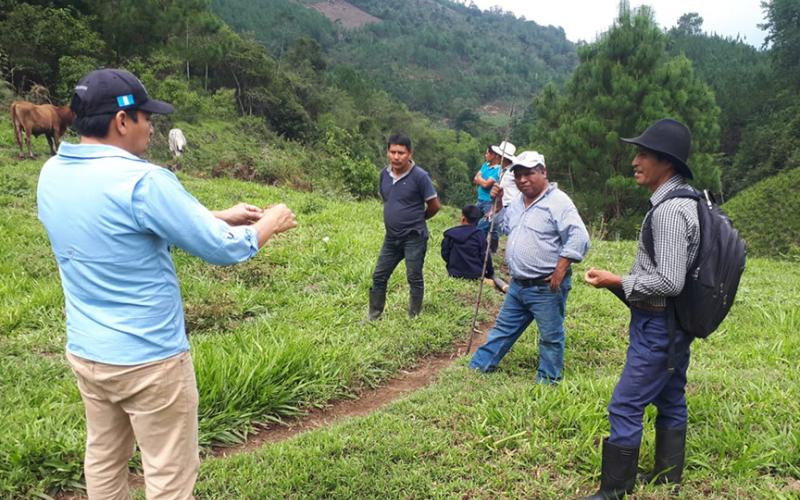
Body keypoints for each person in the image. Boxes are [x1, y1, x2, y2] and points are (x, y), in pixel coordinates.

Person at [37, 68, 298, 499]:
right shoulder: (144, 181)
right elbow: (222, 250)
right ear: (122, 121)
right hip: (150, 361)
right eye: (146, 116)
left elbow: (116, 221)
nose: (152, 126)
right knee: (169, 477)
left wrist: (215, 213)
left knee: (103, 458)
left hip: (88, 354)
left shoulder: (53, 172)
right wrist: (268, 223)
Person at [584, 118, 700, 499]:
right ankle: (669, 477)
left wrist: (619, 281)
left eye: (643, 154)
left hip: (657, 325)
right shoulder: (689, 201)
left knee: (625, 404)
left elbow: (669, 282)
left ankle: (613, 491)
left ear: (666, 162)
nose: (634, 161)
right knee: (670, 395)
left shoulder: (667, 212)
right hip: (676, 325)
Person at [469, 150, 590, 384]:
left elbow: (579, 237)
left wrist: (561, 269)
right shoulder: (517, 203)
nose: (523, 179)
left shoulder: (558, 202)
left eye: (529, 173)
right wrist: (499, 202)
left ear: (543, 173)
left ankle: (548, 380)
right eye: (518, 175)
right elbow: (501, 226)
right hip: (518, 285)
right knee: (502, 329)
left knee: (550, 335)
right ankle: (478, 367)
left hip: (545, 286)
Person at [367, 134, 440, 320]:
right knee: (379, 275)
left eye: (401, 152)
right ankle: (374, 315)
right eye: (393, 152)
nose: (396, 157)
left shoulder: (420, 177)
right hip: (391, 237)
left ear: (409, 154)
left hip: (414, 237)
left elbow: (434, 205)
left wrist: (418, 219)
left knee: (414, 276)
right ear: (387, 152)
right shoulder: (384, 174)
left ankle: (413, 316)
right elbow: (387, 198)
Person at [441, 205, 508, 292]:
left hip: (454, 273)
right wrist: (490, 273)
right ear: (478, 220)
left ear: (463, 218)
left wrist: (452, 264)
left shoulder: (451, 234)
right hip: (475, 274)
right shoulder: (479, 236)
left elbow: (445, 253)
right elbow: (485, 256)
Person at [476, 141, 516, 252]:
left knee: (483, 226)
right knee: (490, 227)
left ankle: (480, 250)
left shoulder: (513, 172)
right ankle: (485, 249)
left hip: (509, 208)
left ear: (499, 156)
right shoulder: (503, 171)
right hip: (499, 207)